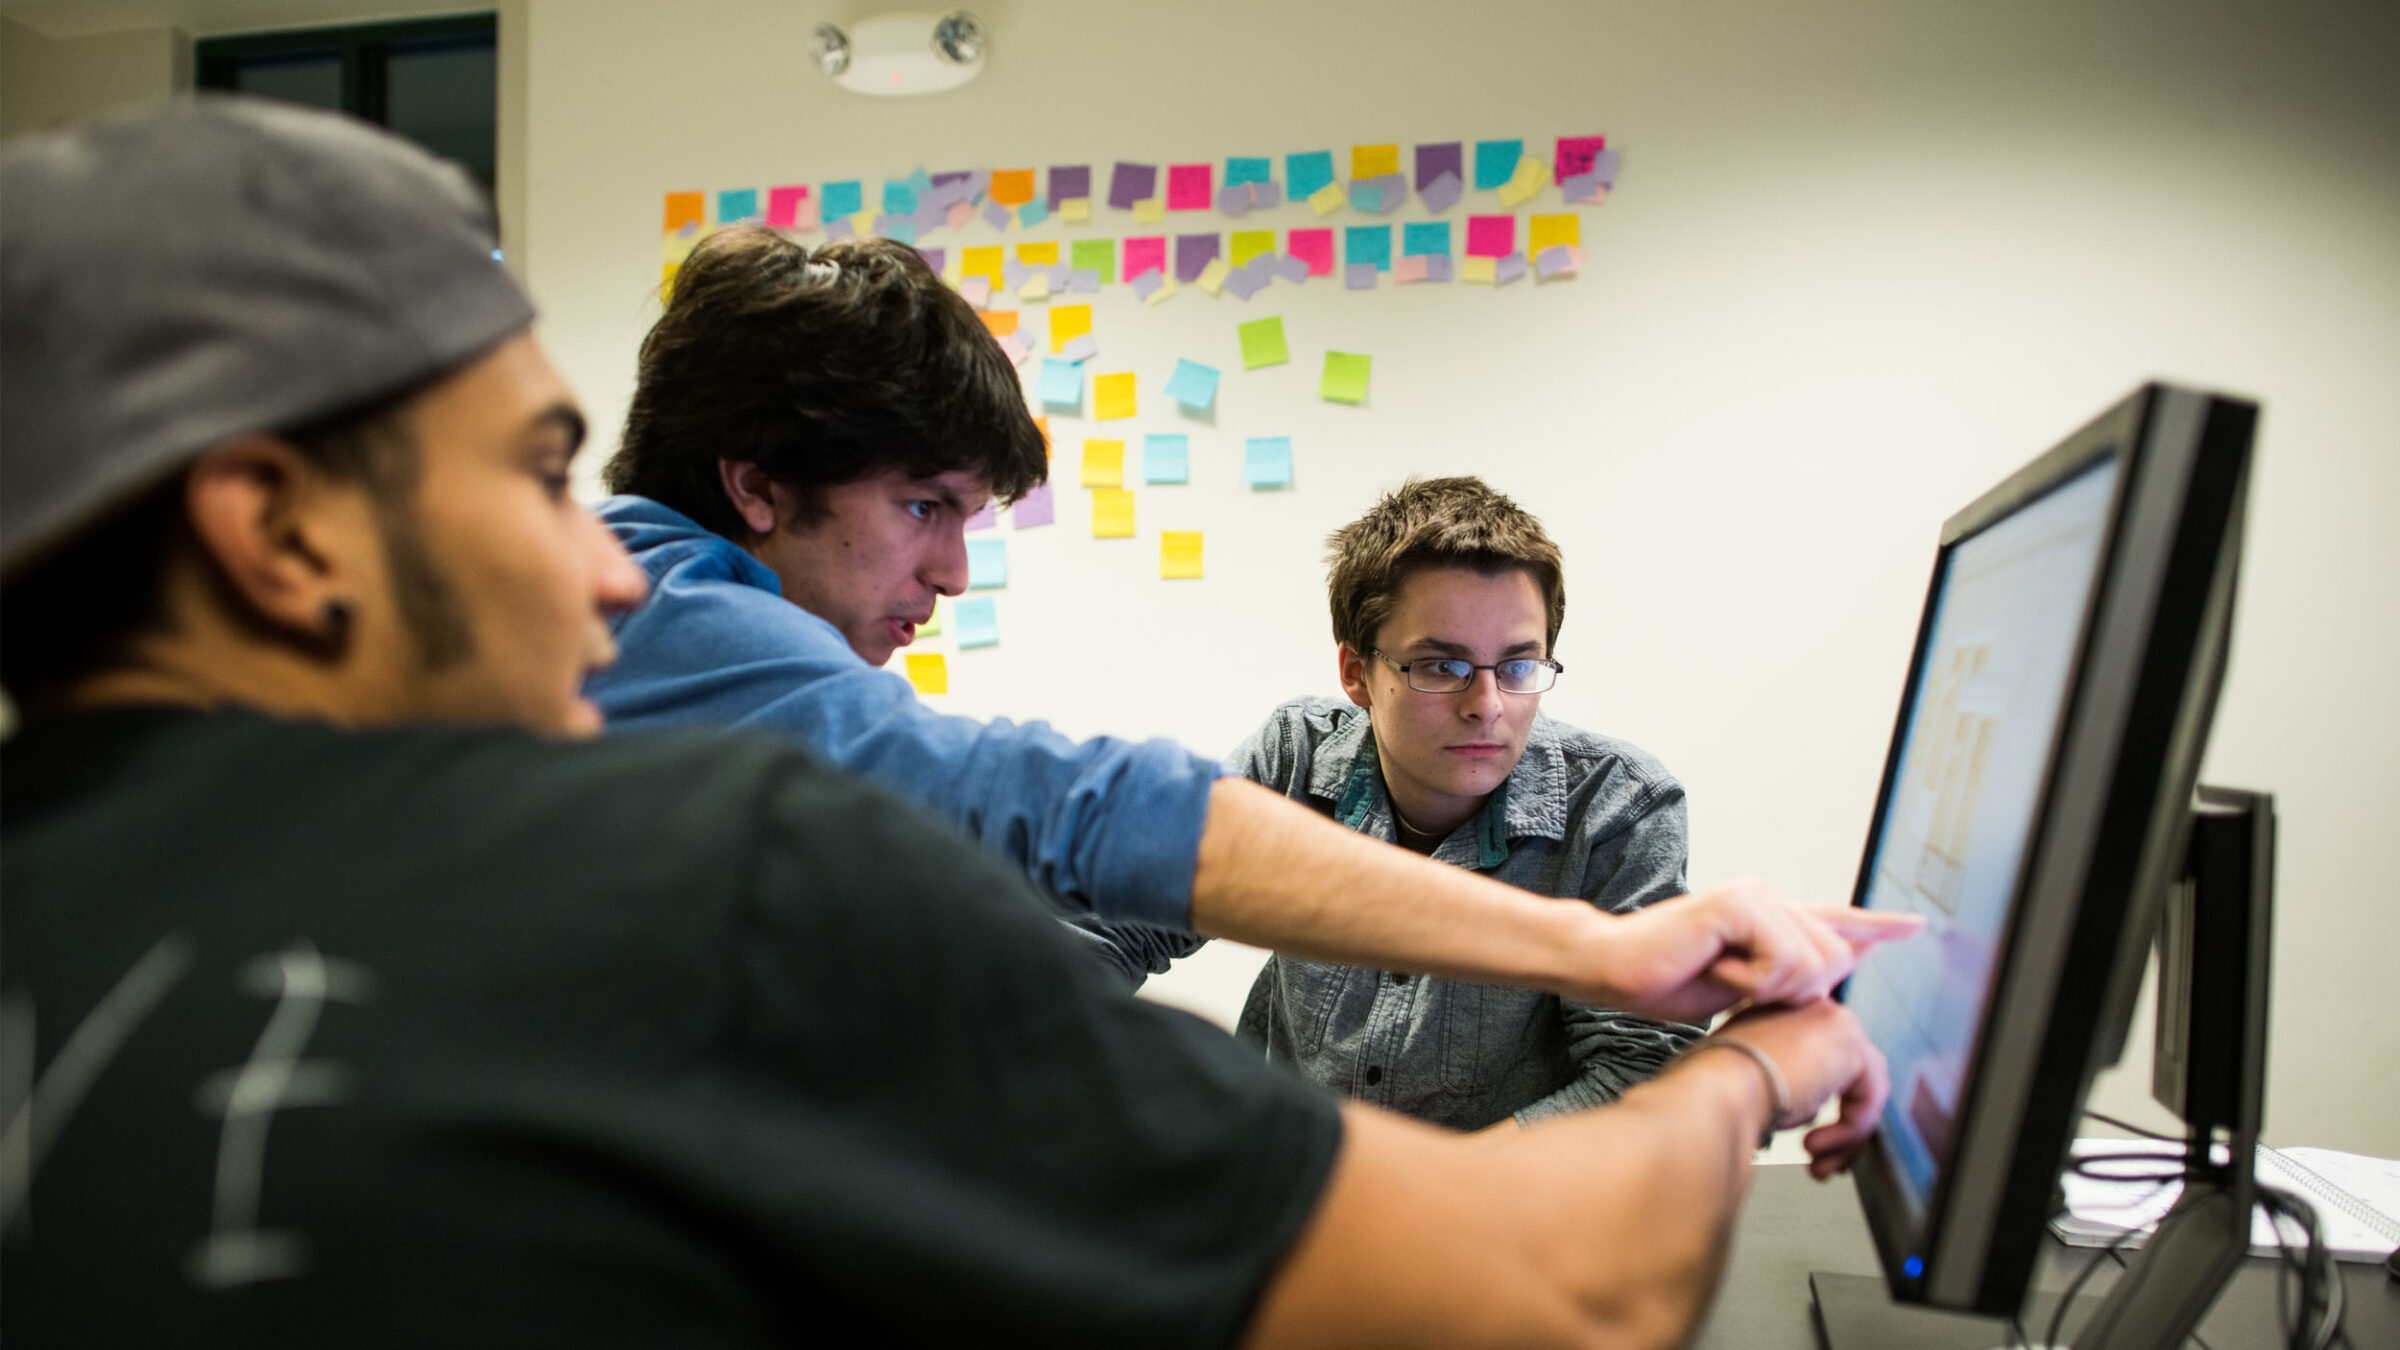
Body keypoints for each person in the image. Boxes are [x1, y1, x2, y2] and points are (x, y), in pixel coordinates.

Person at [1, 98, 1896, 1346]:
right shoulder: (714, 844)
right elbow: (1562, 1291)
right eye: (531, 475)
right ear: (272, 533)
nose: (603, 581)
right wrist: (1764, 1062)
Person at [590, 224, 1914, 1007]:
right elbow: (1063, 811)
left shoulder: (653, 600)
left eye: (1518, 663)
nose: (950, 573)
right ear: (754, 484)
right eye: (927, 507)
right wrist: (1600, 951)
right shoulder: (674, 625)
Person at [1235, 478, 1701, 1131]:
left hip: (1510, 1212)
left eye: (1517, 666)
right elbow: (1115, 926)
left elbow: (1641, 1076)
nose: (1487, 705)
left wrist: (1433, 1189)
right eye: (1440, 667)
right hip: (1293, 1193)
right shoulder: (1293, 759)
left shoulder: (1619, 808)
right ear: (1355, 673)